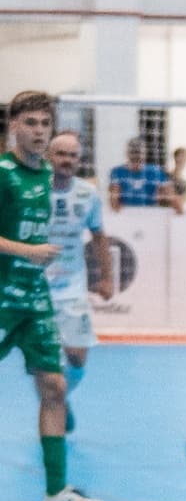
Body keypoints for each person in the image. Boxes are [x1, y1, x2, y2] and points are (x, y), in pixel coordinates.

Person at [0, 92, 104, 501]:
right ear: (14, 126)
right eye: (31, 123)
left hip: (35, 299)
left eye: (45, 123)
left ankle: (56, 491)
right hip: (2, 300)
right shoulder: (4, 174)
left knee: (55, 386)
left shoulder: (44, 173)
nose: (39, 131)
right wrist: (26, 251)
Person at [46, 130, 113, 435]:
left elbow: (99, 237)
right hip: (34, 288)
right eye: (61, 154)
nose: (67, 160)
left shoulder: (87, 194)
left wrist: (106, 276)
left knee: (77, 357)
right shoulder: (33, 190)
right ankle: (53, 404)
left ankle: (62, 399)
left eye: (73, 155)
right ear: (49, 156)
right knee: (45, 364)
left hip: (72, 288)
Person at [108, 138, 183, 213]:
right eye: (133, 152)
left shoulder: (155, 171)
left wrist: (176, 205)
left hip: (149, 214)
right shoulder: (117, 172)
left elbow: (171, 196)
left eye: (139, 152)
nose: (136, 156)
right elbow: (114, 198)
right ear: (127, 153)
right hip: (126, 215)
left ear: (144, 154)